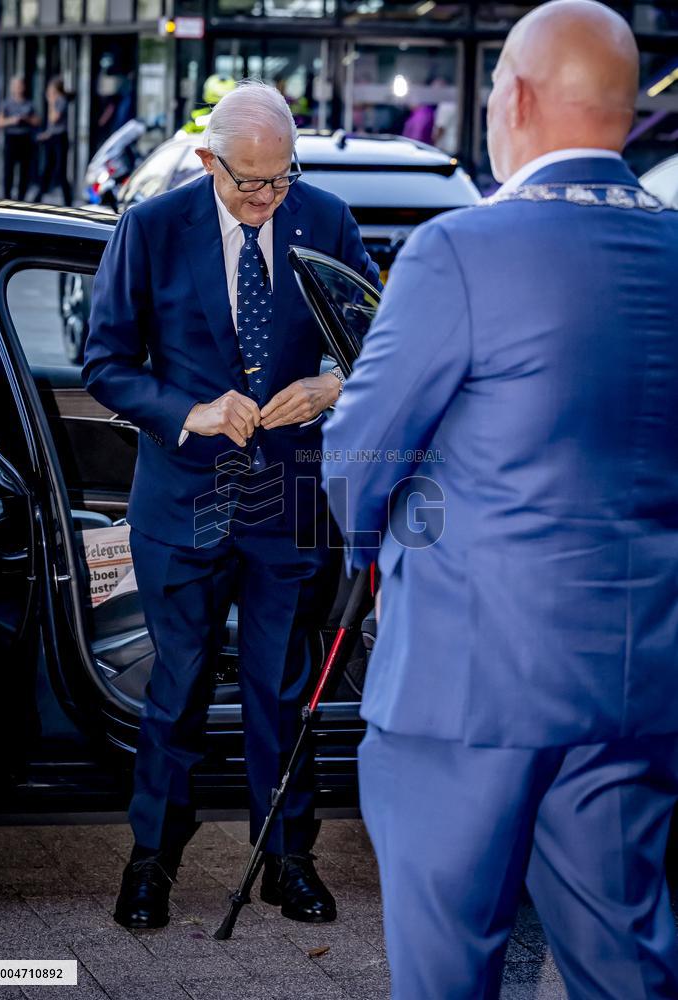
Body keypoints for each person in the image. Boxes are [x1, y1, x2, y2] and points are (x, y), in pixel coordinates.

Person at [322, 1, 678, 997]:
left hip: (464, 684)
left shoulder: (459, 250)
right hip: (633, 683)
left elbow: (355, 456)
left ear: (512, 98)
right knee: (627, 967)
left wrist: (375, 557)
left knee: (448, 969)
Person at [83, 80, 379, 930]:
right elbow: (104, 363)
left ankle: (287, 859)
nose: (265, 199)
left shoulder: (326, 218)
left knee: (281, 689)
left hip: (289, 494)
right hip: (183, 497)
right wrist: (193, 412)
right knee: (176, 688)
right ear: (209, 160)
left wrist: (331, 384)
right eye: (249, 182)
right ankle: (152, 861)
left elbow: (379, 339)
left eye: (281, 179)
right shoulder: (150, 227)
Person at [0, 77, 40, 200]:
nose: (19, 88)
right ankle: (7, 197)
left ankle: (21, 197)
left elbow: (37, 121)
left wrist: (26, 119)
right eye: (16, 86)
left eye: (21, 85)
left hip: (25, 139)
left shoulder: (29, 104)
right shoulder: (6, 104)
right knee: (8, 169)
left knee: (24, 170)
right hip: (11, 138)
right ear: (12, 88)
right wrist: (12, 120)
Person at [34, 77, 73, 206]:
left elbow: (54, 118)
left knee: (60, 170)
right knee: (48, 168)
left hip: (60, 138)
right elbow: (52, 125)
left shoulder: (60, 100)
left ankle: (68, 200)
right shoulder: (56, 100)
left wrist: (51, 102)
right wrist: (47, 134)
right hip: (52, 137)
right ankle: (39, 196)